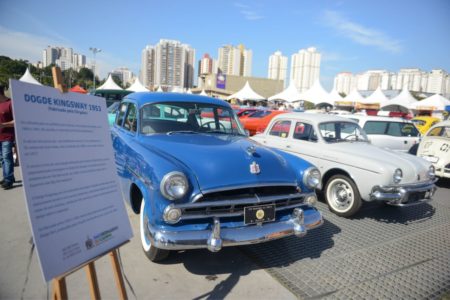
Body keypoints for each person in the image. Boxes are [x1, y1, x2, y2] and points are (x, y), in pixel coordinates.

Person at [0, 84, 15, 190]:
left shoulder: (10, 103)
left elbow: (16, 121)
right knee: (2, 159)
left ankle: (8, 180)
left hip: (7, 136)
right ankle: (8, 176)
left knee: (7, 158)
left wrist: (4, 125)